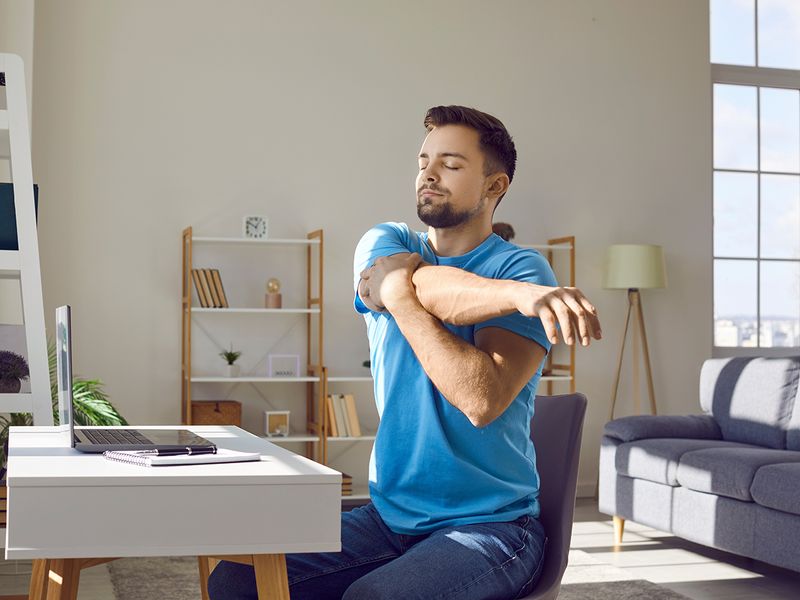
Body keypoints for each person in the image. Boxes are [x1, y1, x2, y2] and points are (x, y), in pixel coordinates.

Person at [208, 106, 601, 600]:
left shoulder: (524, 268)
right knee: (235, 579)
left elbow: (479, 399)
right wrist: (516, 299)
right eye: (423, 161)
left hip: (493, 528)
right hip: (387, 518)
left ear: (495, 186)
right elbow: (412, 282)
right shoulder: (385, 239)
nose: (429, 174)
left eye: (452, 164)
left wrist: (398, 293)